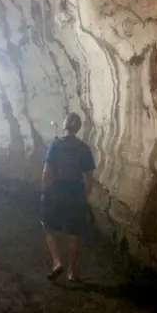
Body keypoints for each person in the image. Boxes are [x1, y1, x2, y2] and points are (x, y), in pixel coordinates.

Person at [40, 112, 95, 282]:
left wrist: (44, 192)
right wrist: (84, 197)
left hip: (57, 191)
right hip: (75, 192)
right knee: (73, 234)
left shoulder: (55, 146)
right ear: (78, 128)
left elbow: (46, 172)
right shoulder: (84, 149)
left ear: (64, 126)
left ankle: (57, 262)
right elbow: (89, 178)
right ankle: (72, 272)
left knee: (49, 228)